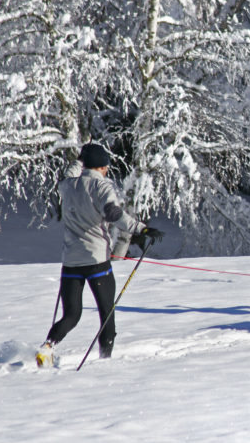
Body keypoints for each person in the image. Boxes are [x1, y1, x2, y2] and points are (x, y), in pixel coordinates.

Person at [36, 143, 164, 367]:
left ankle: (47, 347)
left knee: (71, 316)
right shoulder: (102, 187)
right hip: (97, 262)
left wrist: (80, 159)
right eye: (106, 166)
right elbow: (114, 215)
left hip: (71, 263)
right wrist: (141, 229)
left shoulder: (68, 186)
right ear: (103, 167)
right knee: (107, 316)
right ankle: (105, 363)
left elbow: (70, 172)